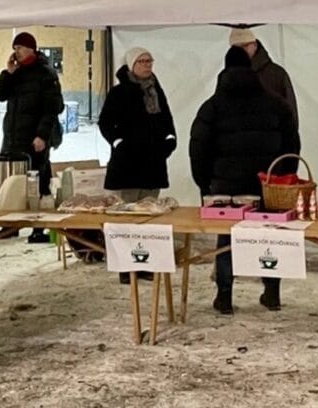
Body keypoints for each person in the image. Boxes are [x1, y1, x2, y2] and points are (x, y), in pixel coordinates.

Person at [190, 46, 300, 315]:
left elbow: (198, 148)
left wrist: (205, 183)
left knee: (227, 239)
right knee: (268, 236)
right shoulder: (276, 104)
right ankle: (272, 292)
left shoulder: (211, 107)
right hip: (266, 185)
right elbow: (292, 144)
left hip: (225, 188)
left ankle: (224, 296)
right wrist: (283, 176)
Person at [98, 47, 177, 283]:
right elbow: (105, 122)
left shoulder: (156, 90)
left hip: (153, 163)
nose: (147, 65)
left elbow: (167, 119)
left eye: (149, 60)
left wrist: (170, 140)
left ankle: (146, 263)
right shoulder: (120, 92)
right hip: (128, 164)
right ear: (132, 65)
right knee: (128, 217)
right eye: (142, 61)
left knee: (150, 216)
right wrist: (118, 141)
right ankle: (126, 267)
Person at [0, 32, 63, 244]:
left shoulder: (45, 74)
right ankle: (9, 225)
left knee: (38, 181)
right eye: (15, 48)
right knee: (11, 182)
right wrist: (8, 73)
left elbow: (53, 108)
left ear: (32, 49)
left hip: (35, 137)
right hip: (14, 135)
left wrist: (42, 135)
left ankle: (39, 227)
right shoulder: (16, 73)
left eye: (21, 48)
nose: (17, 52)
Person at [229, 28, 298, 121]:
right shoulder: (229, 77)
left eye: (245, 46)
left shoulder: (277, 74)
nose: (241, 51)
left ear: (255, 45)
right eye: (236, 48)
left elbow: (290, 112)